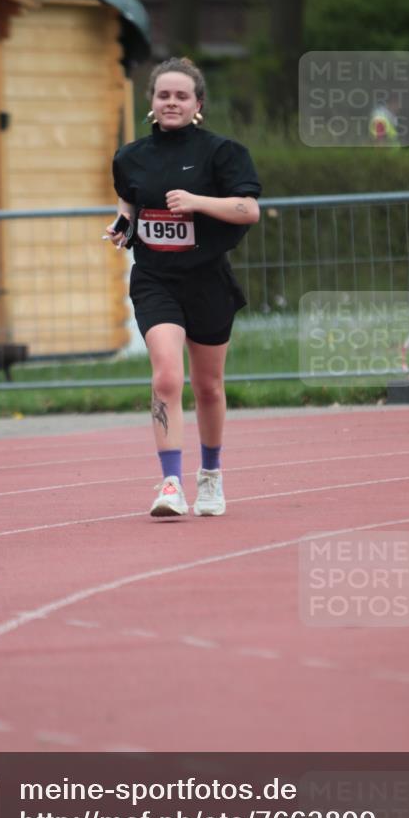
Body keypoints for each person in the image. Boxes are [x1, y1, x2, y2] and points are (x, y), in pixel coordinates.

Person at [108, 57, 261, 517]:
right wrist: (122, 223)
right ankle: (170, 483)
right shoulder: (130, 157)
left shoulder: (222, 153)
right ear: (151, 102)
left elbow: (248, 210)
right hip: (155, 278)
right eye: (163, 95)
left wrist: (197, 202)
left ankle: (210, 474)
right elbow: (129, 200)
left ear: (197, 104)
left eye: (180, 96)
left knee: (209, 386)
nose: (171, 102)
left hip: (207, 279)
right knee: (167, 376)